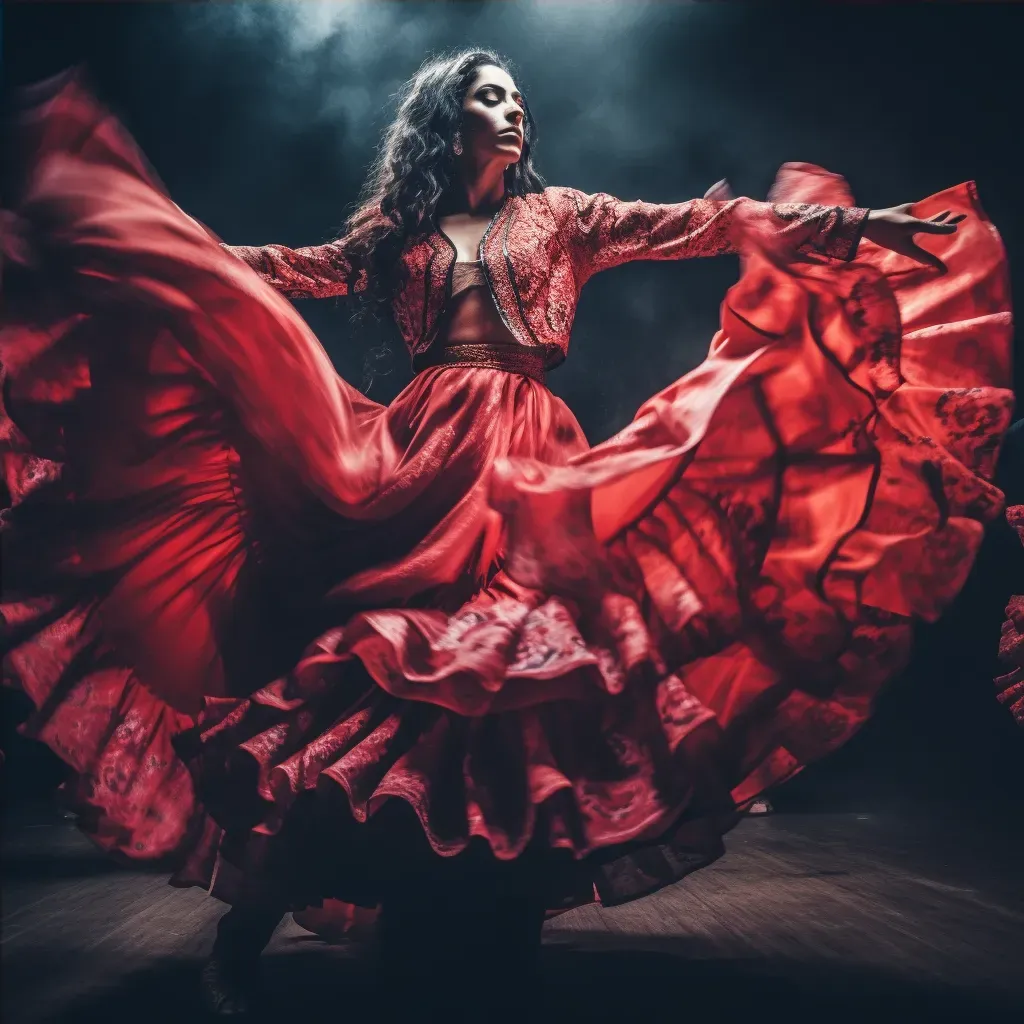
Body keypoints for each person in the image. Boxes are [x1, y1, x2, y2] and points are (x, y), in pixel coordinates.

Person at [1, 50, 1013, 1017]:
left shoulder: (563, 214)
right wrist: (162, 257)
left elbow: (704, 223)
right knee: (368, 690)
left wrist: (851, 225)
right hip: (417, 459)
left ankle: (500, 932)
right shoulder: (394, 230)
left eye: (519, 95)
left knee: (514, 693)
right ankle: (245, 932)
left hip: (531, 458)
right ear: (451, 118)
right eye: (493, 94)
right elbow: (286, 270)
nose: (515, 108)